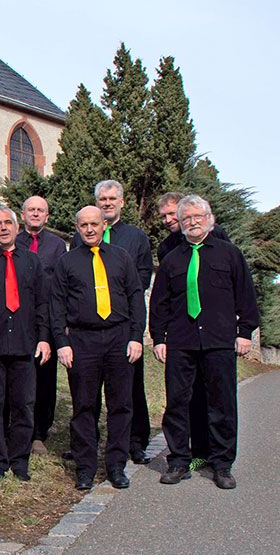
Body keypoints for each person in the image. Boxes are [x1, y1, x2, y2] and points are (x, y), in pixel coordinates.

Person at [150, 195, 259, 490]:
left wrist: (245, 332)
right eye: (186, 218)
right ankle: (179, 461)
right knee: (177, 403)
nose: (192, 222)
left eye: (198, 216)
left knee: (222, 403)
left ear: (209, 218)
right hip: (181, 343)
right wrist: (159, 338)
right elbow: (159, 304)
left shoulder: (229, 254)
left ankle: (222, 464)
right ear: (181, 223)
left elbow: (246, 295)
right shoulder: (172, 259)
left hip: (219, 341)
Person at [52, 206, 145, 491]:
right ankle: (85, 467)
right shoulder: (67, 262)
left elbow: (135, 296)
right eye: (84, 225)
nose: (90, 229)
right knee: (84, 406)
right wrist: (62, 343)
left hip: (119, 338)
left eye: (95, 224)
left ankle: (116, 466)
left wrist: (136, 336)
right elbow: (56, 305)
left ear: (104, 225)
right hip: (83, 340)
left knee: (120, 405)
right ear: (77, 228)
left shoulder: (122, 257)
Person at [70, 180, 153, 464]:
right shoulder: (79, 238)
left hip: (122, 323)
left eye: (111, 199)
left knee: (129, 391)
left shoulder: (135, 237)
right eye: (102, 199)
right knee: (86, 393)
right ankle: (86, 444)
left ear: (122, 202)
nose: (107, 203)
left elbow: (140, 279)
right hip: (89, 333)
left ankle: (135, 441)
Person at [155, 191, 230, 471]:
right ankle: (188, 455)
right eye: (164, 216)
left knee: (215, 397)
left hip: (214, 334)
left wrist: (240, 329)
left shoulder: (219, 239)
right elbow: (163, 297)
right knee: (184, 398)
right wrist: (160, 336)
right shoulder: (168, 252)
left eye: (173, 214)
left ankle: (217, 456)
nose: (169, 220)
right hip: (182, 335)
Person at [0, 207, 50, 481]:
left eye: (8, 223)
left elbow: (42, 303)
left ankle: (19, 459)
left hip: (24, 344)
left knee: (23, 405)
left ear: (17, 228)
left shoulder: (32, 262)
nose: (3, 228)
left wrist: (44, 338)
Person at [15, 196, 67, 455]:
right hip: (17, 318)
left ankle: (39, 433)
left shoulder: (57, 246)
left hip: (46, 317)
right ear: (22, 214)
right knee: (17, 375)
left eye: (41, 211)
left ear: (47, 216)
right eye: (31, 210)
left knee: (44, 378)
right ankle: (15, 426)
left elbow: (61, 285)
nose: (35, 214)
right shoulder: (13, 241)